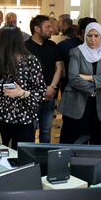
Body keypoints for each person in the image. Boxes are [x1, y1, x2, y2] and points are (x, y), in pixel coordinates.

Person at [59, 22, 101, 144]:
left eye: (96, 36)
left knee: (99, 140)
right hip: (77, 102)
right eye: (89, 35)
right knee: (73, 140)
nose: (93, 39)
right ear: (84, 36)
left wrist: (89, 77)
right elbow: (74, 78)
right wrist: (96, 87)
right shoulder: (76, 52)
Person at [0, 27, 45, 148]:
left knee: (22, 161)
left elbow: (41, 93)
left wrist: (22, 93)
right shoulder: (1, 62)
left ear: (7, 42)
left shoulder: (31, 61)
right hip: (1, 119)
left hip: (23, 120)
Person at [25, 15, 62, 143]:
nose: (51, 29)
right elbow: (23, 74)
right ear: (37, 29)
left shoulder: (52, 45)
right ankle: (29, 161)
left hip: (50, 95)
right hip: (31, 97)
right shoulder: (25, 47)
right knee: (30, 130)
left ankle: (44, 161)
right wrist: (41, 91)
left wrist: (52, 87)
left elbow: (59, 68)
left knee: (46, 131)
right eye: (48, 27)